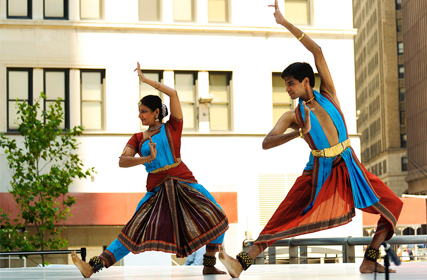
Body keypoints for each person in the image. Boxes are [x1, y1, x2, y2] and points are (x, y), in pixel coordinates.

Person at [219, 1, 403, 277]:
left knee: (393, 205)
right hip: (319, 170)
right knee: (283, 215)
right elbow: (266, 142)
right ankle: (241, 262)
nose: (288, 89)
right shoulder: (294, 115)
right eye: (286, 85)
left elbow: (317, 51)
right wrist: (297, 133)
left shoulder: (328, 93)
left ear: (306, 81)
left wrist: (284, 23)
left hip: (350, 163)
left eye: (291, 83)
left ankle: (369, 259)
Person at [71, 62, 228, 277]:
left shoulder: (173, 126)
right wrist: (147, 158)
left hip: (185, 183)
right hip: (156, 190)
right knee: (132, 230)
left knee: (217, 216)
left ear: (156, 112)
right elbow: (122, 161)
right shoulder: (138, 138)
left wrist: (146, 81)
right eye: (139, 112)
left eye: (143, 111)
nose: (140, 116)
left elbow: (173, 93)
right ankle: (92, 266)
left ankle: (209, 264)